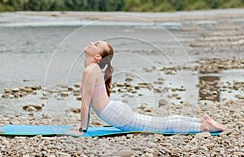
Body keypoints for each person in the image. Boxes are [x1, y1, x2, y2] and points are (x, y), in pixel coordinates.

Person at [70, 41, 227, 135]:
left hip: (115, 114)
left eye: (96, 44)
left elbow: (85, 104)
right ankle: (200, 120)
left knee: (159, 126)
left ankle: (203, 126)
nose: (92, 43)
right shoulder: (92, 70)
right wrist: (83, 127)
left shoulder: (89, 71)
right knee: (158, 122)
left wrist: (82, 130)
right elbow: (88, 103)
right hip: (114, 111)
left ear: (98, 57)